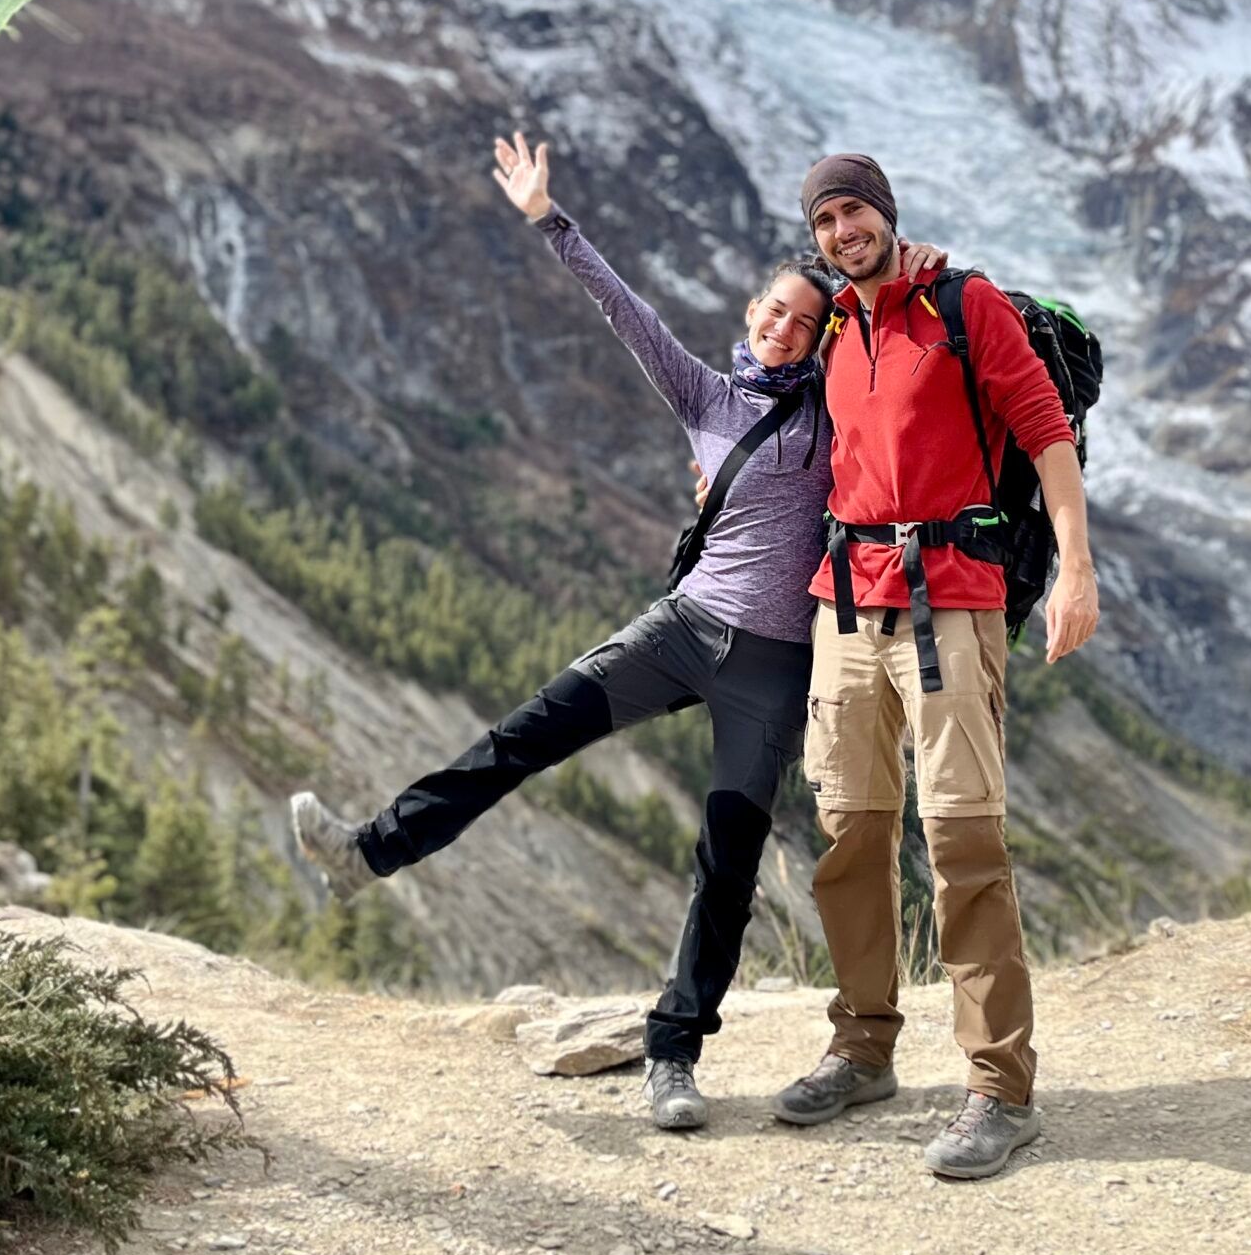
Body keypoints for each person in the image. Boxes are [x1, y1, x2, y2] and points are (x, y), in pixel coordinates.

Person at [290, 129, 945, 1132]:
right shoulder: (707, 397)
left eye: (801, 319)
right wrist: (548, 219)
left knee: (725, 862)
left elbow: (897, 348)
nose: (780, 325)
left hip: (770, 667)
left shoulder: (837, 412)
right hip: (679, 631)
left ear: (820, 336)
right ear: (749, 314)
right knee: (519, 739)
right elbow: (624, 314)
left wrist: (916, 273)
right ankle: (366, 854)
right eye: (771, 309)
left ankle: (673, 1057)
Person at [771, 151, 1101, 1181]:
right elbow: (765, 409)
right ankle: (863, 1047)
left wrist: (1076, 573)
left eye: (855, 211)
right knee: (850, 834)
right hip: (844, 606)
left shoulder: (964, 306)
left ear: (887, 214)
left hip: (950, 600)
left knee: (961, 837)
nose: (842, 230)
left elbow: (1045, 432)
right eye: (825, 219)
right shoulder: (831, 325)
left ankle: (1000, 1087)